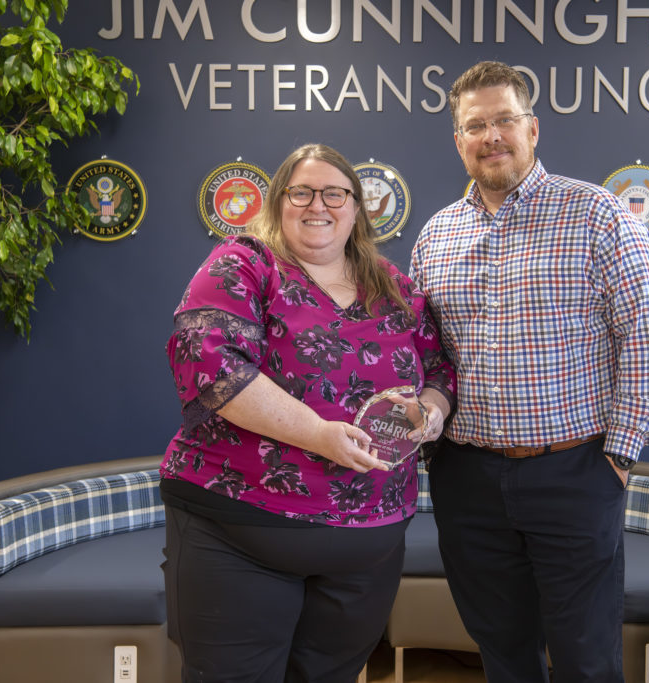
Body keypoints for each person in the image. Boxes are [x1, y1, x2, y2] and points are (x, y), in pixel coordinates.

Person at [409, 61, 649, 682]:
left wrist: (619, 455)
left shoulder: (598, 214)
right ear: (459, 141)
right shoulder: (436, 236)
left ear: (533, 128)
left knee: (586, 658)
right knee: (502, 654)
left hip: (576, 473)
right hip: (467, 479)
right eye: (475, 125)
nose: (492, 135)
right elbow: (429, 356)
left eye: (505, 119)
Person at [160, 143, 456, 683]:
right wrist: (318, 434)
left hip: (368, 543)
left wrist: (431, 413)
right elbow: (207, 359)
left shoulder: (396, 286)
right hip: (240, 528)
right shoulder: (245, 264)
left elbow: (439, 371)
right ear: (278, 202)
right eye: (302, 191)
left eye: (335, 193)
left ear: (357, 208)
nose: (318, 204)